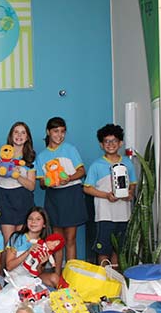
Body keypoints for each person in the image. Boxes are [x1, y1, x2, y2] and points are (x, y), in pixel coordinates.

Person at [34, 117, 88, 275]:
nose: (60, 135)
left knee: (71, 238)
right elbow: (42, 183)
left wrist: (69, 178)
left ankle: (72, 274)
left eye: (63, 131)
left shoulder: (70, 149)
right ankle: (57, 273)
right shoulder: (42, 156)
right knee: (57, 240)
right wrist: (48, 183)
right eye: (56, 131)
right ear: (48, 132)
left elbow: (81, 171)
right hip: (54, 198)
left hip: (72, 195)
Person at [83, 124, 137, 265]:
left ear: (120, 143)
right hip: (104, 215)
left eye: (114, 141)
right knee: (103, 250)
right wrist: (106, 195)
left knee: (118, 249)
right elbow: (87, 188)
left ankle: (115, 280)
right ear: (101, 145)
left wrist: (130, 193)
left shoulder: (127, 163)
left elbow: (133, 184)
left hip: (124, 215)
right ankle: (104, 280)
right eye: (106, 141)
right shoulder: (96, 165)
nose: (110, 144)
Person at [0, 121, 36, 244]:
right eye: (16, 132)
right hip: (5, 199)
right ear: (11, 135)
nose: (19, 135)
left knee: (22, 242)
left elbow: (31, 186)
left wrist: (17, 176)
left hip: (24, 199)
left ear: (27, 137)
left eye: (23, 133)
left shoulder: (30, 157)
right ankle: (6, 264)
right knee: (7, 242)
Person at [5, 206, 63, 288]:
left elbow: (38, 272)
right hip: (15, 278)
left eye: (38, 219)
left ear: (44, 224)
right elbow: (9, 266)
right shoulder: (16, 237)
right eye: (30, 218)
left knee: (55, 278)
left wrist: (41, 264)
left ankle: (66, 297)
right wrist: (28, 251)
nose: (33, 222)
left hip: (31, 278)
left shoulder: (45, 244)